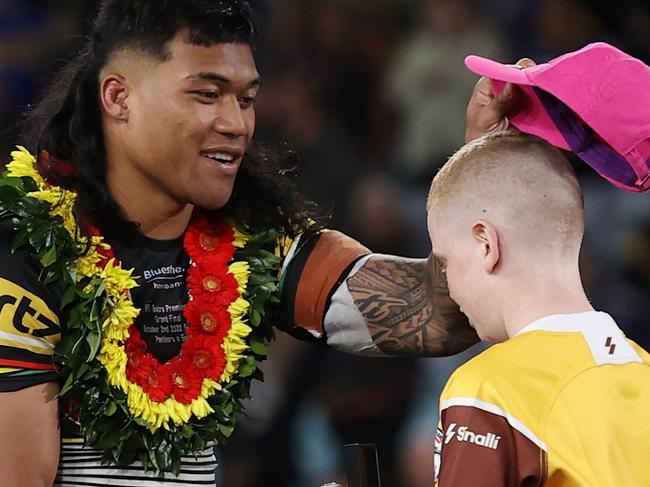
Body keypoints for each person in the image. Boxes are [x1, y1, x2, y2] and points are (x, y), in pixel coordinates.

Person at [0, 1, 515, 485]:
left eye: (246, 99)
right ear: (118, 98)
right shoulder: (26, 251)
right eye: (207, 94)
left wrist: (485, 159)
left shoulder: (255, 243)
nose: (236, 124)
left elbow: (441, 313)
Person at [427, 131, 650, 486]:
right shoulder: (643, 370)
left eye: (445, 263)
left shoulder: (487, 389)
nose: (447, 284)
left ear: (486, 243)